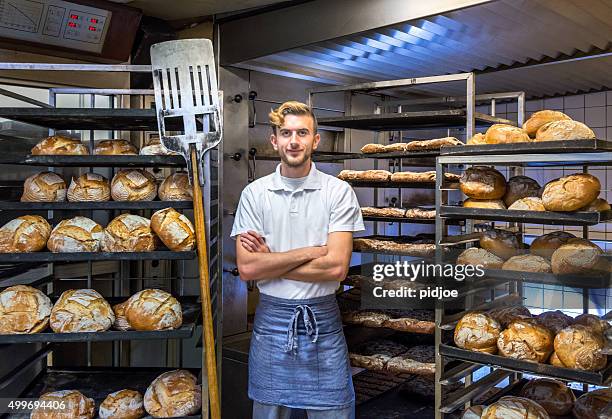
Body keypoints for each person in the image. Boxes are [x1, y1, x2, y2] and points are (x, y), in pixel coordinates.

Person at [231, 100, 364, 419]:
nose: (294, 141)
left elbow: (336, 267)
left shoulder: (338, 192)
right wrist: (312, 251)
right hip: (271, 325)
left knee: (336, 410)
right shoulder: (255, 194)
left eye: (302, 133)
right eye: (286, 133)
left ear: (315, 140)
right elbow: (248, 268)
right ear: (274, 140)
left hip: (322, 323)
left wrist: (272, 261)